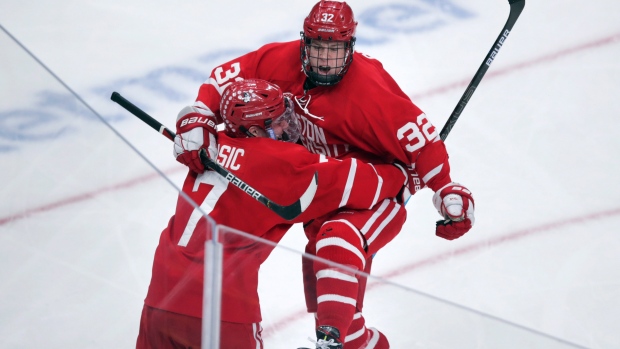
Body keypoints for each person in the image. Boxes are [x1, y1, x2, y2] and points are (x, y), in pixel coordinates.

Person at [173, 2, 476, 347]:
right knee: (341, 307)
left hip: (375, 193)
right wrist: (198, 113)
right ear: (305, 42)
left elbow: (421, 141)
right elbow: (225, 77)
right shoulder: (280, 60)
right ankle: (349, 341)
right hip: (329, 185)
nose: (325, 59)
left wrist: (446, 189)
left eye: (335, 49)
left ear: (350, 47)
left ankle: (327, 343)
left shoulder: (370, 92)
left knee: (338, 238)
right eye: (318, 47)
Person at [137, 79, 412, 349]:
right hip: (224, 311)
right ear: (255, 131)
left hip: (160, 300)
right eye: (277, 122)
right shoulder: (283, 162)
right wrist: (402, 173)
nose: (286, 126)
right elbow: (361, 183)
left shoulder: (208, 145)